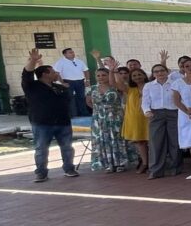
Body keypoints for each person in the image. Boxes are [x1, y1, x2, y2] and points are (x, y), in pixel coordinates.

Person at [22, 48, 78, 182]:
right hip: (42, 123)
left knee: (67, 147)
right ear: (44, 74)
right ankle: (41, 173)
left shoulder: (59, 87)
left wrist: (64, 87)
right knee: (41, 149)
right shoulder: (32, 86)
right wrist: (33, 61)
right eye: (53, 72)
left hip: (63, 122)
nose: (56, 73)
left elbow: (68, 101)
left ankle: (69, 168)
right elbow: (27, 74)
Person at [142, 58, 181, 179]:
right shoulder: (148, 86)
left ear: (167, 71)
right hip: (156, 114)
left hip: (174, 113)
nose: (160, 73)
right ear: (153, 74)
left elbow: (181, 98)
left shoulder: (176, 83)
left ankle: (175, 168)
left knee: (174, 141)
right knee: (156, 143)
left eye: (162, 70)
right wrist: (147, 111)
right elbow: (145, 101)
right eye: (156, 71)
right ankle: (156, 170)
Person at [85, 65, 129, 173]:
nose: (101, 77)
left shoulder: (115, 87)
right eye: (98, 75)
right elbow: (89, 102)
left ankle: (120, 163)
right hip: (99, 118)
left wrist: (114, 72)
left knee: (116, 138)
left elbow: (123, 89)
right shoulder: (92, 88)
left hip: (115, 116)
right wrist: (99, 110)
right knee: (102, 140)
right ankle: (107, 164)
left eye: (104, 75)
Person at [120, 66, 151, 173]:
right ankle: (145, 163)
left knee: (153, 141)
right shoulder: (129, 89)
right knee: (140, 142)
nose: (137, 77)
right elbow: (117, 83)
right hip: (135, 119)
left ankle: (155, 163)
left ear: (144, 76)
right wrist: (112, 70)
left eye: (139, 74)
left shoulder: (151, 86)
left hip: (150, 118)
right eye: (134, 75)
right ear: (131, 78)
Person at [52, 47, 89, 117]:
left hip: (80, 81)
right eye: (70, 52)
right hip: (68, 82)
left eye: (73, 52)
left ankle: (84, 114)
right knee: (70, 98)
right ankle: (73, 115)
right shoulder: (60, 62)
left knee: (81, 97)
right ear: (65, 54)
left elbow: (86, 70)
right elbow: (56, 73)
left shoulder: (79, 61)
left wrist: (87, 80)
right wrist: (62, 83)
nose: (72, 53)